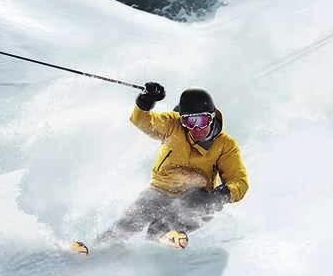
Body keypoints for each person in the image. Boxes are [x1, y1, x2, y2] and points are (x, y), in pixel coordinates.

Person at [71, 83, 249, 254]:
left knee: (176, 216)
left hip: (197, 196)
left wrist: (225, 193)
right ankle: (97, 249)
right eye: (189, 121)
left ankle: (167, 237)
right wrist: (145, 101)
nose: (195, 128)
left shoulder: (225, 145)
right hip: (161, 190)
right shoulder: (173, 125)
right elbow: (144, 121)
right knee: (131, 220)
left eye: (201, 120)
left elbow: (238, 181)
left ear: (211, 117)